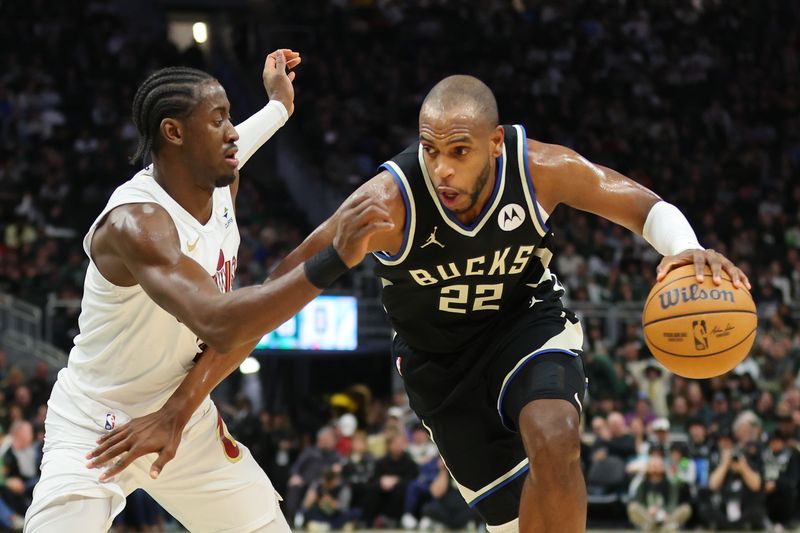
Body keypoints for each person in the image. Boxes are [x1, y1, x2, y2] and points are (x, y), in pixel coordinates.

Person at [91, 74, 750, 532]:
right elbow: (270, 304)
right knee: (519, 517)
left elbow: (637, 203)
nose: (442, 169)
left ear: (494, 144)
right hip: (439, 369)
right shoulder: (386, 205)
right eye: (431, 150)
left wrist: (685, 248)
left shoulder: (539, 168)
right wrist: (181, 406)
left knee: (555, 436)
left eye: (459, 152)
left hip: (526, 325)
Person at [24, 50, 394, 533]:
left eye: (230, 118)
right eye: (218, 120)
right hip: (98, 424)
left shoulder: (222, 180)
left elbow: (253, 132)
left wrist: (281, 104)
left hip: (187, 413)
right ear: (174, 133)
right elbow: (221, 324)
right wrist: (335, 258)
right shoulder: (137, 223)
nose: (233, 131)